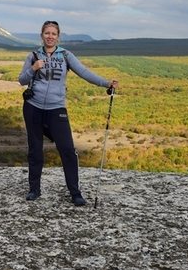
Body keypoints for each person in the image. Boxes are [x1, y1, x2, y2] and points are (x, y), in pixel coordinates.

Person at [18, 20, 118, 206]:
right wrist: (33, 68)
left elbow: (84, 72)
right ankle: (34, 189)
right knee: (35, 149)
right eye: (46, 33)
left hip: (56, 108)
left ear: (58, 36)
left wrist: (106, 83)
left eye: (53, 34)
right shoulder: (33, 56)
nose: (50, 36)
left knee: (67, 150)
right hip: (33, 107)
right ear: (41, 35)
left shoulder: (65, 55)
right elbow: (22, 80)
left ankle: (75, 192)